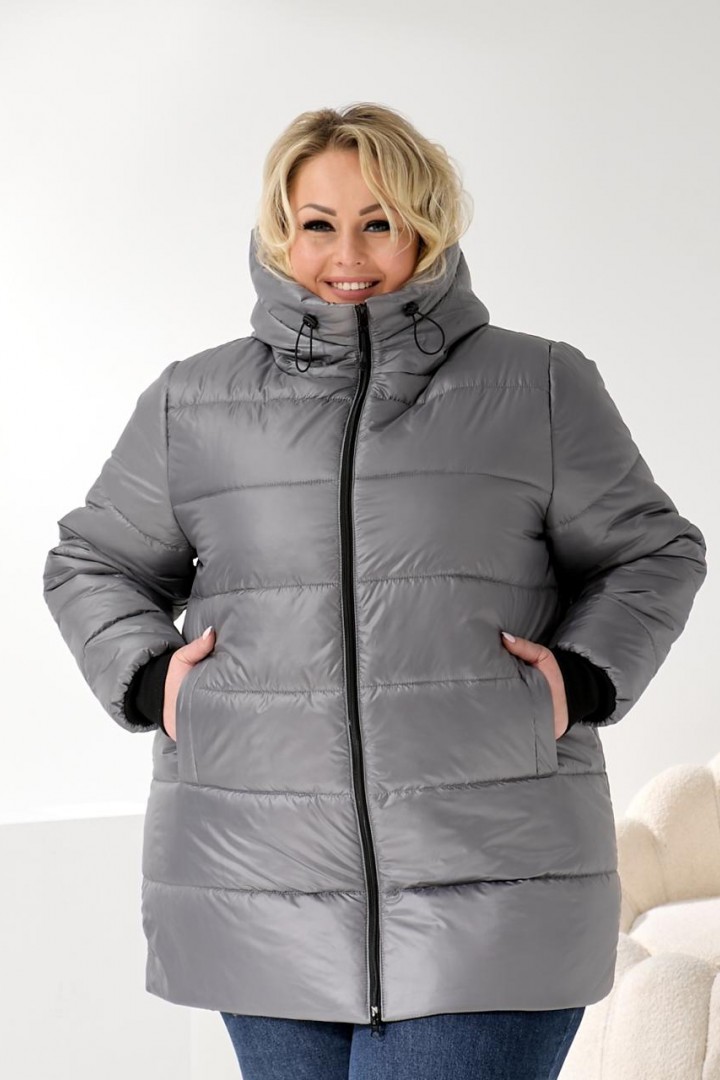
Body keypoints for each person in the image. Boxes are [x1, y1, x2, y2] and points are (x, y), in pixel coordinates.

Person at [42, 103, 707, 1080]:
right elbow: (91, 561)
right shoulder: (197, 402)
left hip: (493, 886)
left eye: (379, 222)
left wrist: (580, 675)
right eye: (318, 224)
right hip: (260, 885)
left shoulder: (537, 386)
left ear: (425, 228)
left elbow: (652, 550)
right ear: (281, 231)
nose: (347, 255)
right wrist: (154, 680)